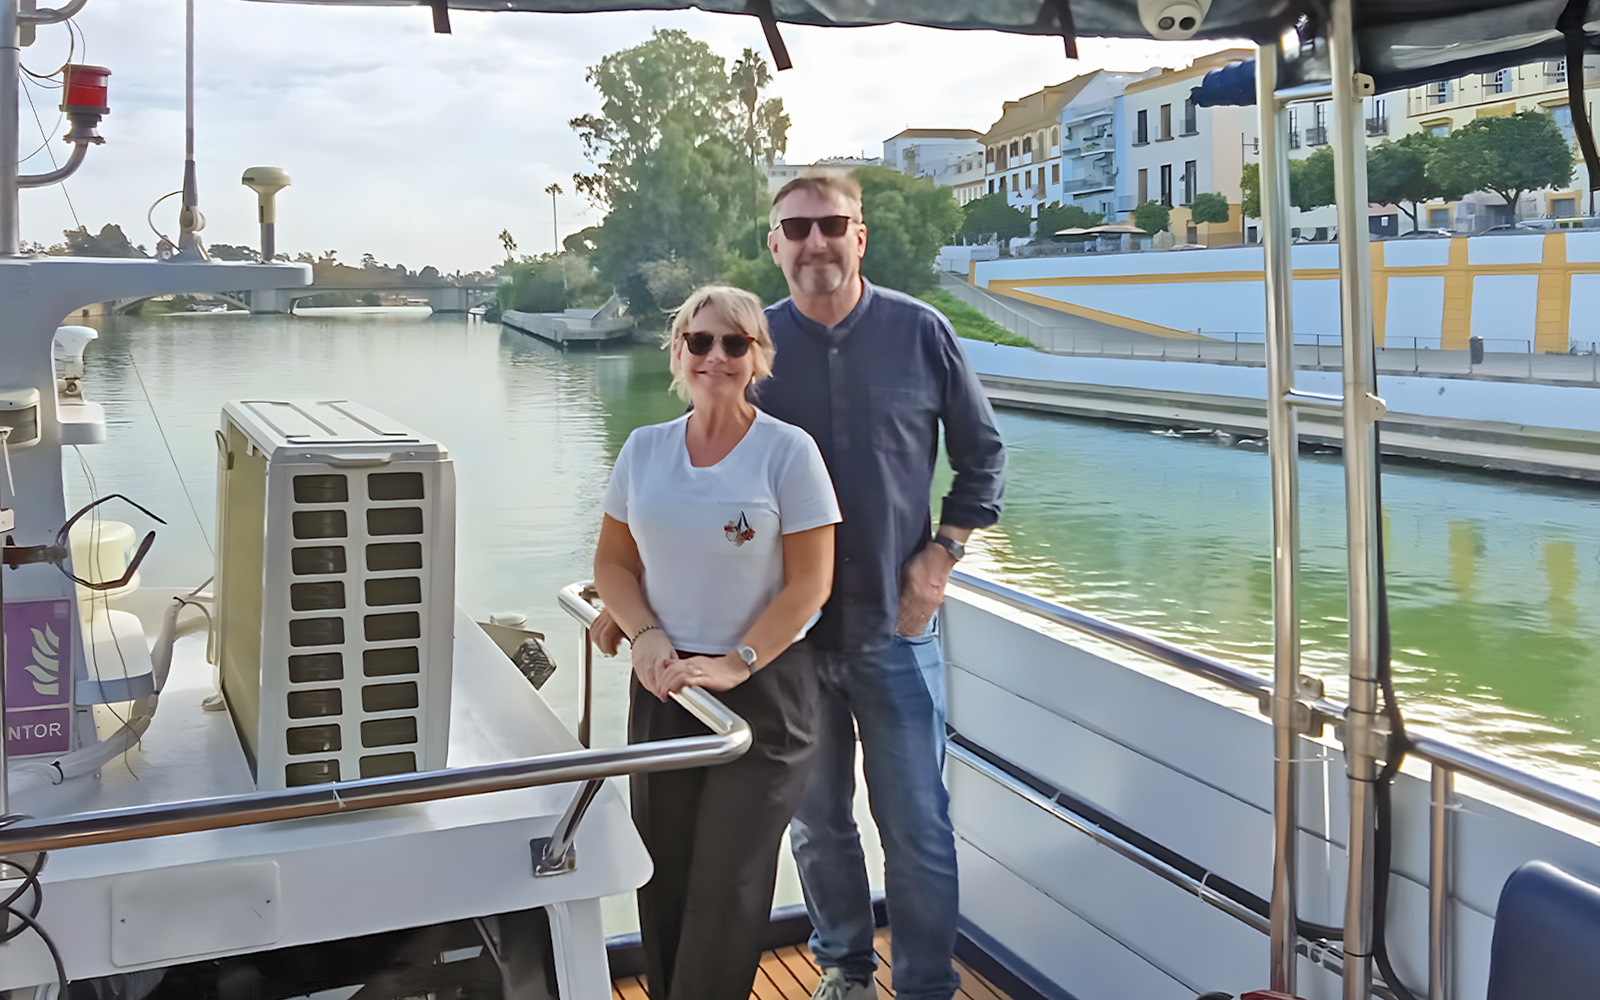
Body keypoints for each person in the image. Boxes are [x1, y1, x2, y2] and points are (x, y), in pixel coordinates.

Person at [759, 175, 1006, 1000]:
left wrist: (942, 554)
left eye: (833, 224)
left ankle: (928, 988)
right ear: (776, 245)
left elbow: (983, 459)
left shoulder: (921, 332)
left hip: (895, 632)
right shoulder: (748, 347)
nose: (815, 241)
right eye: (797, 228)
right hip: (788, 637)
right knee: (818, 824)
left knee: (919, 829)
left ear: (860, 236)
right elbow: (702, 472)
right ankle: (845, 971)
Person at [592, 283, 841, 1000]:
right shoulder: (644, 450)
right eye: (700, 341)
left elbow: (808, 586)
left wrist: (739, 660)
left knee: (728, 880)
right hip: (667, 686)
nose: (715, 356)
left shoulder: (788, 454)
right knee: (662, 867)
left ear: (757, 356)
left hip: (760, 696)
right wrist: (643, 634)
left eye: (735, 342)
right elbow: (612, 563)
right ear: (678, 352)